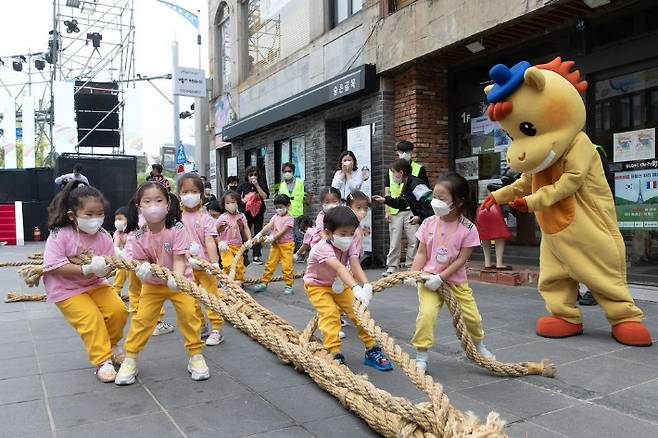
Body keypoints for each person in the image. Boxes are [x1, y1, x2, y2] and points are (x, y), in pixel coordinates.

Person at [115, 181, 209, 385]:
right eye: (147, 201)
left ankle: (196, 355)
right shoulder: (138, 233)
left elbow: (178, 258)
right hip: (152, 285)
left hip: (180, 281)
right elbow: (138, 261)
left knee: (189, 316)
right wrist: (143, 272)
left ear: (168, 204)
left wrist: (176, 279)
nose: (154, 205)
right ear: (139, 207)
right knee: (142, 320)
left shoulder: (177, 228)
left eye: (159, 200)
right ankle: (130, 358)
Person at [406, 172, 495, 373]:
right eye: (434, 197)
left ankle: (478, 345)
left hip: (455, 282)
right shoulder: (429, 223)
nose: (436, 202)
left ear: (459, 202)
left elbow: (462, 260)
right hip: (428, 280)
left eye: (442, 198)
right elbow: (421, 252)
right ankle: (421, 355)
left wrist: (441, 277)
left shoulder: (468, 228)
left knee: (472, 317)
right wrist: (413, 273)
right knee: (426, 315)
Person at [43, 183, 128, 382]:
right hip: (65, 290)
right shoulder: (59, 234)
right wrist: (87, 269)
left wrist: (107, 268)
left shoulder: (104, 236)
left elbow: (108, 266)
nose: (95, 219)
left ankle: (113, 345)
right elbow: (54, 266)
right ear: (73, 215)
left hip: (95, 285)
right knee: (91, 318)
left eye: (99, 214)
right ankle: (103, 360)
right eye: (89, 214)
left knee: (118, 310)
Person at [303, 206, 392, 370]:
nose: (348, 238)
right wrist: (355, 288)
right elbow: (339, 268)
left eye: (351, 234)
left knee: (359, 312)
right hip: (318, 286)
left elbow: (355, 264)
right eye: (343, 234)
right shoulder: (322, 248)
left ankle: (372, 349)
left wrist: (366, 285)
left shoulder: (349, 243)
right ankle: (334, 352)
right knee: (330, 315)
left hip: (339, 283)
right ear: (328, 233)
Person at [178, 173, 224, 345]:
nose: (190, 195)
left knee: (211, 297)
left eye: (194, 191)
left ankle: (216, 329)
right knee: (191, 299)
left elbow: (210, 241)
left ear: (201, 193)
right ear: (180, 195)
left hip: (204, 266)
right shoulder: (177, 218)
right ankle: (201, 326)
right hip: (186, 267)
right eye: (185, 191)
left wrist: (214, 263)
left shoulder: (205, 218)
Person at [373, 159, 433, 276]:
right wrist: (385, 200)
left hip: (431, 220)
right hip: (426, 219)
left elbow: (429, 202)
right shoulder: (407, 184)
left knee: (422, 244)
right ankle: (416, 271)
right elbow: (403, 202)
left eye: (394, 172)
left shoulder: (415, 184)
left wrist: (419, 216)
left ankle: (419, 271)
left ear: (400, 172)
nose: (393, 176)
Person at [384, 141, 429, 277]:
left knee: (413, 239)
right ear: (397, 152)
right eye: (401, 152)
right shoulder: (392, 169)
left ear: (412, 153)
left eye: (407, 152)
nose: (404, 154)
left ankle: (411, 266)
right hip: (395, 209)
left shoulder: (419, 168)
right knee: (394, 240)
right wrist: (387, 209)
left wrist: (420, 213)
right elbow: (387, 190)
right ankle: (392, 266)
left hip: (411, 209)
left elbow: (424, 191)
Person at [251, 194, 295, 295]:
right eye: (276, 207)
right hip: (275, 245)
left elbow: (283, 231)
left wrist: (272, 238)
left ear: (288, 206)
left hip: (286, 245)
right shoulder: (275, 217)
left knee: (286, 266)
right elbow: (269, 226)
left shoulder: (289, 219)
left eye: (281, 207)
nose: (278, 209)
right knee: (270, 264)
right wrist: (260, 234)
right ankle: (264, 283)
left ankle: (289, 285)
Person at [277, 162, 312, 257]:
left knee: (299, 235)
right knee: (287, 236)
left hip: (298, 213)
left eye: (289, 171)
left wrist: (307, 202)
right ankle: (289, 253)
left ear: (293, 172)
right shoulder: (282, 185)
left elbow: (309, 192)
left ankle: (301, 254)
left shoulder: (300, 182)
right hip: (286, 214)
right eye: (285, 171)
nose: (287, 173)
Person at [216, 190, 251, 283]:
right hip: (226, 246)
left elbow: (246, 228)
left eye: (233, 202)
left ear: (238, 203)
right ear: (224, 204)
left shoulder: (241, 216)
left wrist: (249, 240)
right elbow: (214, 231)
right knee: (228, 264)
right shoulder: (223, 217)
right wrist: (220, 242)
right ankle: (226, 282)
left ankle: (238, 282)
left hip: (238, 245)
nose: (230, 204)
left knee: (239, 265)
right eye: (227, 203)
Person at [237, 166, 269, 265]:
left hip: (259, 212)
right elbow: (236, 196)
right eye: (251, 175)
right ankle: (244, 253)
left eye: (255, 174)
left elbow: (265, 196)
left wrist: (257, 186)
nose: (253, 176)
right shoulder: (243, 186)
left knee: (258, 233)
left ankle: (256, 255)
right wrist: (243, 200)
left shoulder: (261, 184)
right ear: (247, 176)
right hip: (246, 212)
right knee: (245, 233)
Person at [111, 206, 130, 295]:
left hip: (137, 257)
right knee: (121, 269)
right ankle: (116, 290)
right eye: (116, 219)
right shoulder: (118, 233)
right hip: (126, 258)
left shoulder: (134, 230)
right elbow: (115, 247)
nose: (117, 221)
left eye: (120, 219)